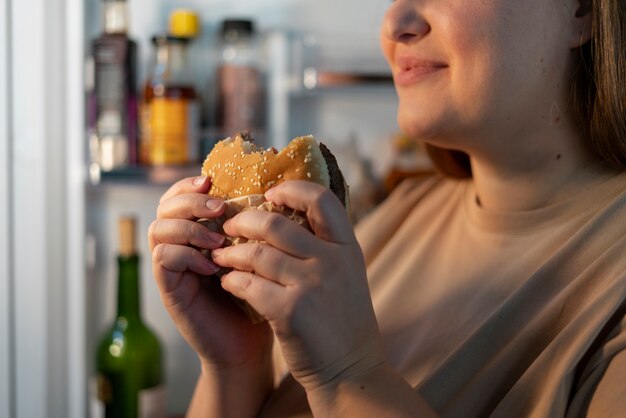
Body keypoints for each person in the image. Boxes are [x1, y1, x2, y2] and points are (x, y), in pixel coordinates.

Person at [148, 0, 626, 416]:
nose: (395, 20)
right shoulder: (392, 219)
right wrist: (236, 367)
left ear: (581, 10)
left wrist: (349, 376)